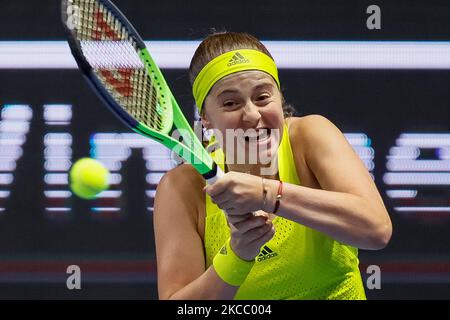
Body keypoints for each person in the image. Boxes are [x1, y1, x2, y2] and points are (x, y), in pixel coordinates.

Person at [153, 32, 392, 300]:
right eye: (230, 103)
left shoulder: (311, 135)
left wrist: (268, 194)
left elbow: (376, 230)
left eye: (263, 97)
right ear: (206, 117)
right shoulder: (182, 187)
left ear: (279, 98)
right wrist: (236, 256)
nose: (252, 114)